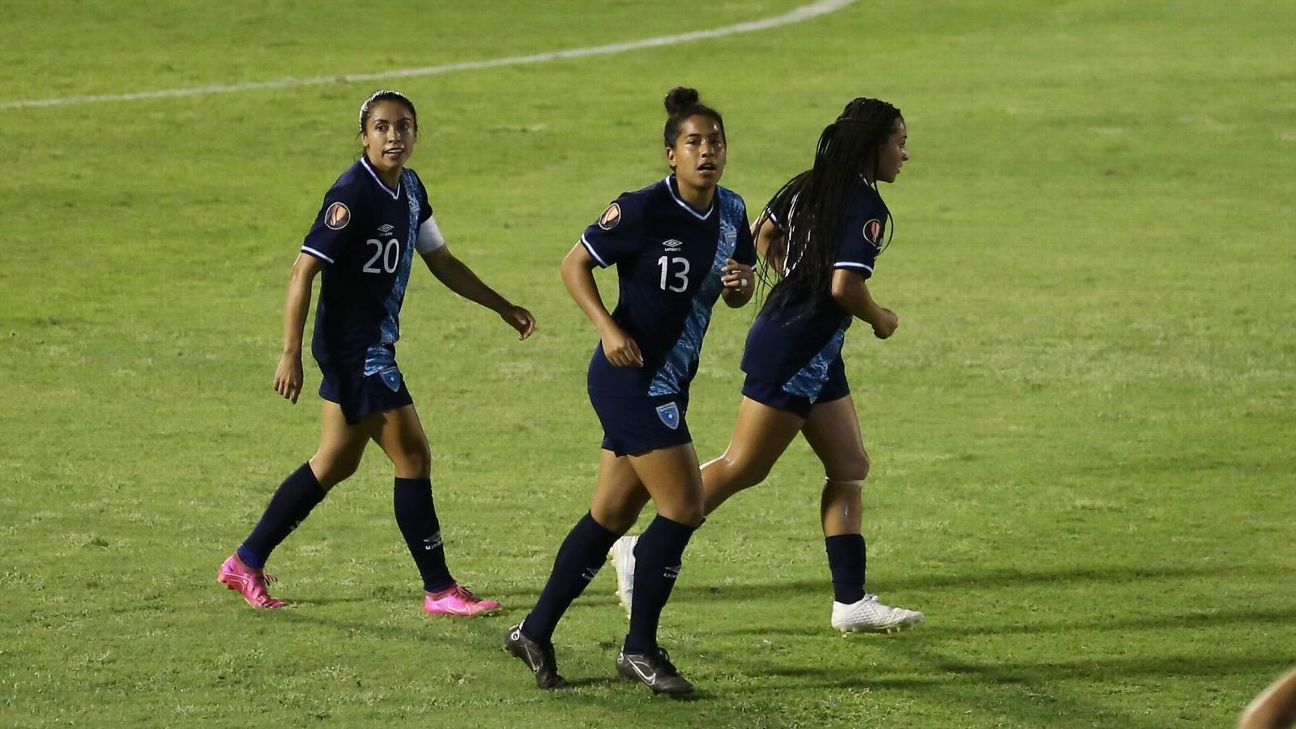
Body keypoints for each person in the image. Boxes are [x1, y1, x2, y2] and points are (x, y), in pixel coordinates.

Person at [610, 97, 925, 635]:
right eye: (900, 142)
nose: (905, 154)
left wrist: (790, 275)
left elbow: (763, 233)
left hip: (811, 348)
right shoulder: (867, 207)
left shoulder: (808, 184)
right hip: (796, 349)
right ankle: (642, 550)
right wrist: (881, 319)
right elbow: (844, 285)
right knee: (743, 465)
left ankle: (851, 602)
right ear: (875, 146)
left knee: (850, 465)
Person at [217, 89, 535, 617]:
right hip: (356, 352)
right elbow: (302, 271)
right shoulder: (351, 195)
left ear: (415, 135)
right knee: (414, 456)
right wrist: (290, 352)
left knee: (335, 462)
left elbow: (442, 260)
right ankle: (440, 590)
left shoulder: (410, 189)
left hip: (372, 345)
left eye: (403, 126)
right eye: (382, 127)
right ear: (364, 137)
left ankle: (244, 562)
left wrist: (501, 306)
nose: (394, 136)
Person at [503, 87, 756, 697]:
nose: (706, 152)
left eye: (715, 142)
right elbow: (574, 264)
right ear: (671, 154)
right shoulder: (641, 210)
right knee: (685, 506)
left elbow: (739, 288)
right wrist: (608, 328)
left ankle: (533, 631)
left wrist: (743, 286)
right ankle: (639, 648)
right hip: (633, 379)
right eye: (693, 142)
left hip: (670, 380)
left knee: (611, 515)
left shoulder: (732, 212)